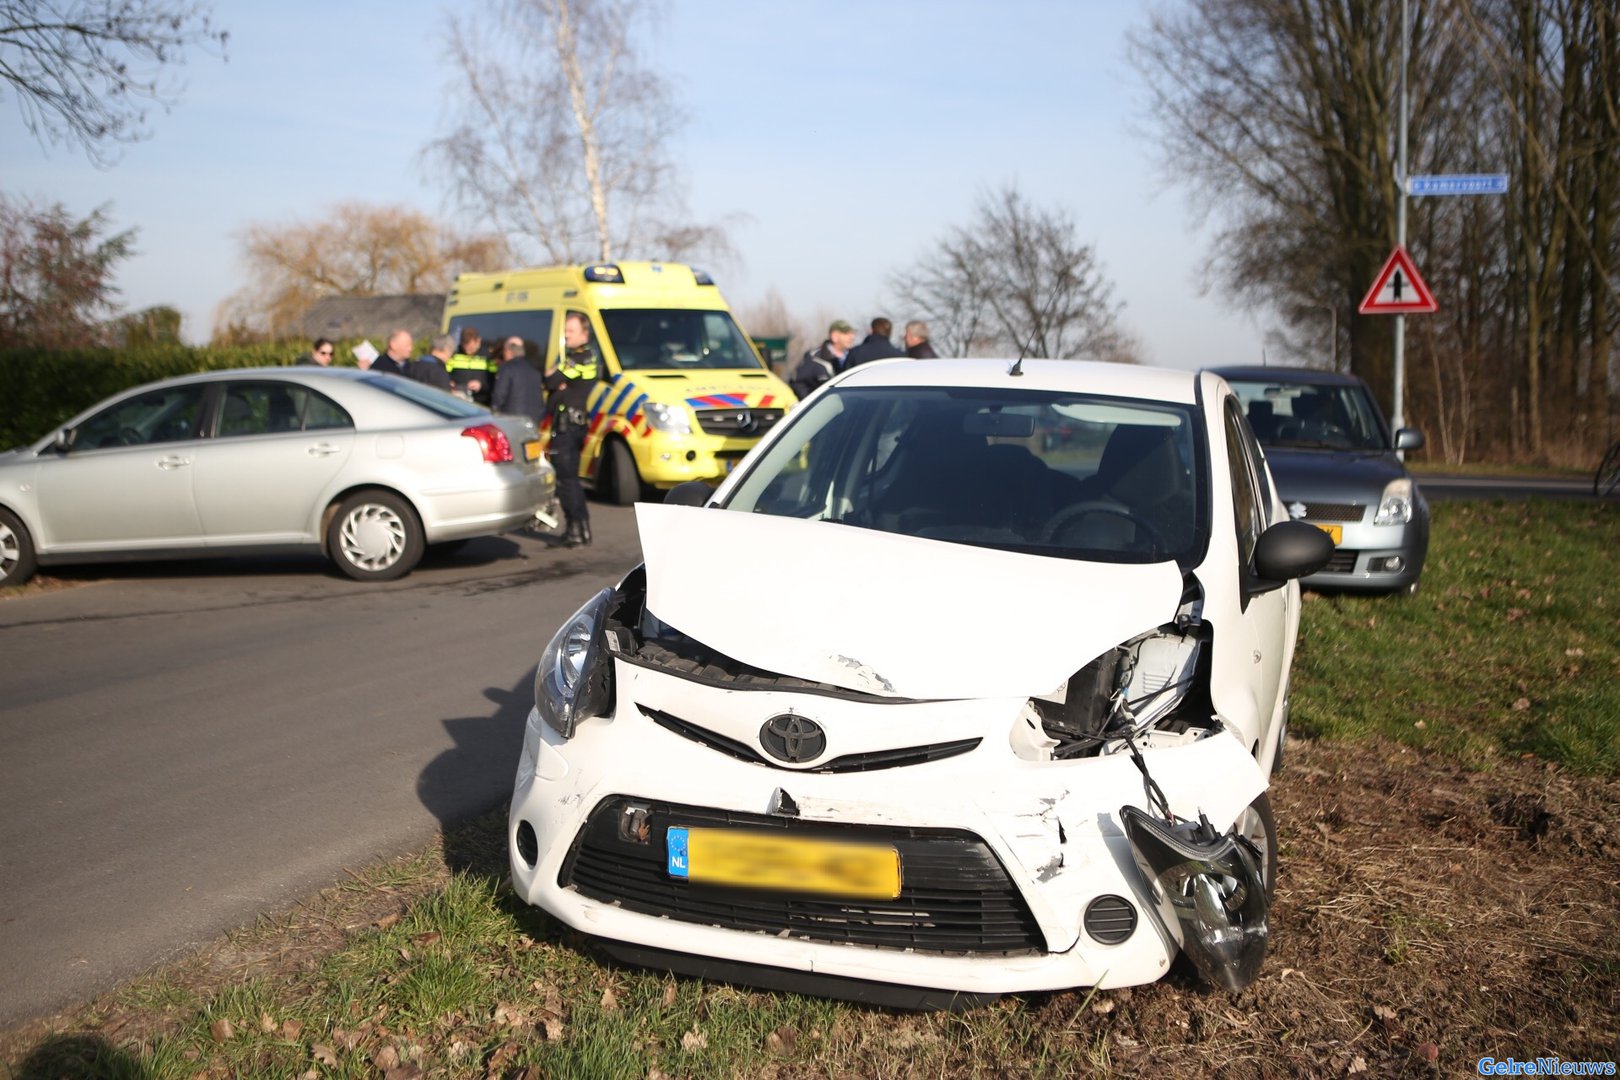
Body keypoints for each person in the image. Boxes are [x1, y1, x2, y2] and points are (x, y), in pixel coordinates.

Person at [545, 312, 598, 547]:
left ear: (585, 334)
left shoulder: (581, 357)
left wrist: (557, 381)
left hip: (568, 427)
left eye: (571, 331)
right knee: (571, 479)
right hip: (573, 425)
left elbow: (550, 381)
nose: (566, 335)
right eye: (565, 330)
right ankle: (581, 528)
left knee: (566, 479)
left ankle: (576, 530)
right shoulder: (580, 356)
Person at [789, 319, 856, 398]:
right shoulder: (814, 357)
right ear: (834, 336)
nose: (852, 337)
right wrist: (812, 402)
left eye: (852, 334)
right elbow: (798, 382)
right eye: (846, 333)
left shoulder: (854, 356)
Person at [491, 336, 545, 424]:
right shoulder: (535, 371)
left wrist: (494, 413)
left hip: (511, 421)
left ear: (508, 351)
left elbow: (499, 396)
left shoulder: (507, 368)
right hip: (532, 422)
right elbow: (540, 402)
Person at [446, 327, 491, 403]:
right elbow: (445, 372)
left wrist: (481, 385)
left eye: (471, 348)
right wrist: (450, 382)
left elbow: (493, 380)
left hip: (480, 401)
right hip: (458, 399)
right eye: (465, 348)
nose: (467, 352)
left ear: (478, 341)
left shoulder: (488, 357)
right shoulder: (455, 354)